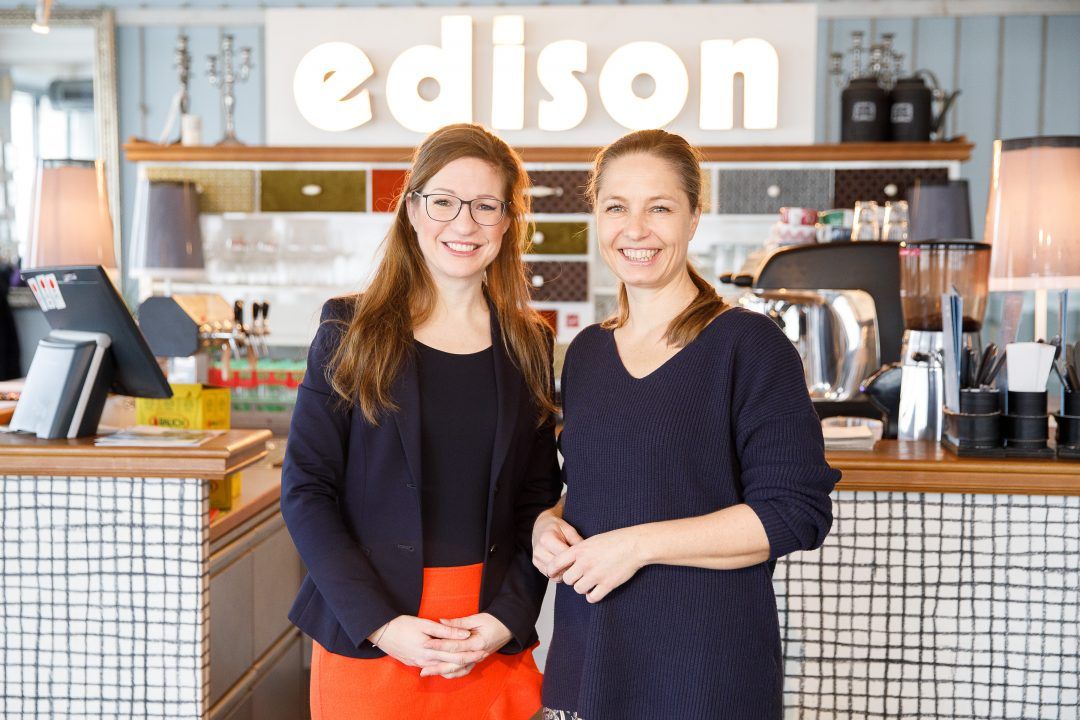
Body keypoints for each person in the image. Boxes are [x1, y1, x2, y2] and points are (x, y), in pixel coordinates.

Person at [533, 129, 841, 719]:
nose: (635, 229)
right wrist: (549, 522)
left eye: (660, 208)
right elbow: (604, 486)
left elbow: (794, 512)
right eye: (616, 207)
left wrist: (638, 546)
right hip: (589, 662)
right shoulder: (587, 354)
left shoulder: (748, 345)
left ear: (694, 217)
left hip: (704, 673)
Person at [281, 123, 561, 720]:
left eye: (485, 205)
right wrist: (382, 625)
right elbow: (307, 490)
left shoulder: (531, 343)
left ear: (507, 222)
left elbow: (537, 500)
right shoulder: (349, 330)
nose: (464, 223)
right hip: (372, 629)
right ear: (412, 209)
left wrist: (505, 619)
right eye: (444, 201)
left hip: (485, 634)